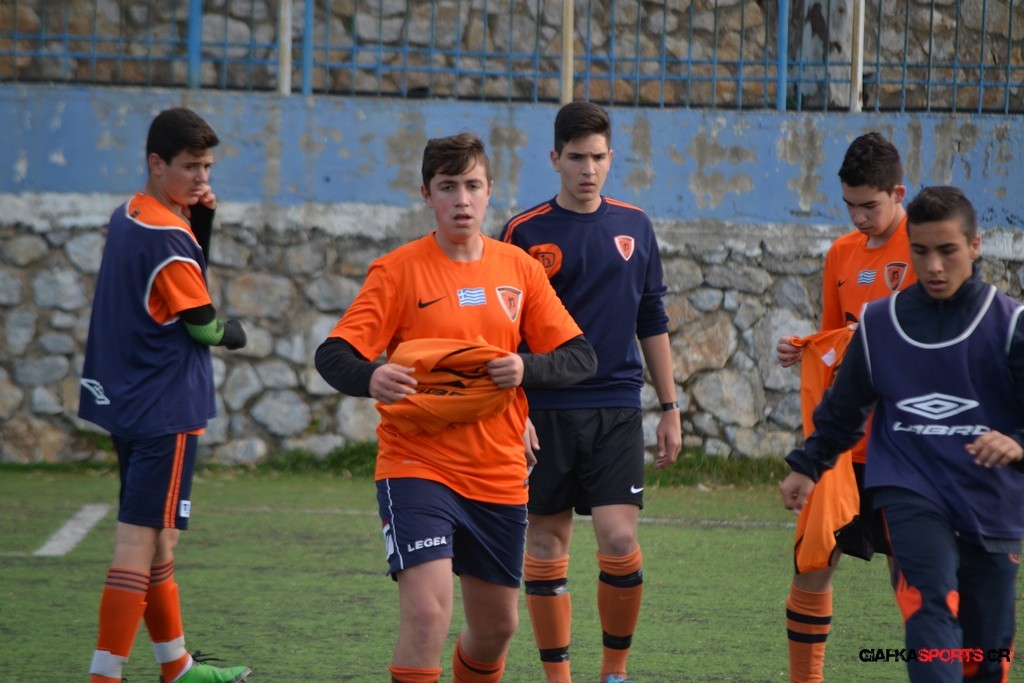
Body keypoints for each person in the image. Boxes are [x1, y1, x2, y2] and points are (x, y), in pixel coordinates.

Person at [314, 132, 597, 683]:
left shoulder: (519, 269)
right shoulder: (397, 271)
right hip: (416, 463)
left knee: (496, 630)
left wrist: (525, 368)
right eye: (448, 187)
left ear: (490, 190)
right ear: (427, 195)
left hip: (497, 470)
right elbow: (334, 354)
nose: (461, 199)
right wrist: (372, 376)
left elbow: (579, 356)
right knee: (427, 614)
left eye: (472, 185)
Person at [780, 185, 1024, 682]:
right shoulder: (881, 323)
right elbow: (844, 408)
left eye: (947, 251)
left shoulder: (1008, 324)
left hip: (990, 497)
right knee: (929, 606)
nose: (933, 266)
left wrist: (1017, 441)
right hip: (911, 488)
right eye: (921, 251)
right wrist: (808, 465)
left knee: (986, 652)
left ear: (975, 246)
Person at [499, 101, 682, 683]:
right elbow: (505, 333)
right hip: (545, 408)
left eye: (598, 157)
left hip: (617, 406)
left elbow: (651, 318)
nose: (588, 169)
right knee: (546, 545)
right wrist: (514, 413)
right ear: (555, 158)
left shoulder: (636, 225)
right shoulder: (524, 232)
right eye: (577, 157)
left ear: (611, 157)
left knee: (620, 538)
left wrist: (671, 408)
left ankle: (614, 673)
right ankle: (559, 679)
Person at [78, 107, 250, 683]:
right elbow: (202, 324)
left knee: (159, 538)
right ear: (157, 163)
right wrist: (234, 334)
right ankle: (105, 674)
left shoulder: (129, 213)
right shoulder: (171, 239)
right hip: (166, 406)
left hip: (128, 399)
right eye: (190, 167)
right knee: (141, 539)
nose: (202, 178)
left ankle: (176, 665)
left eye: (207, 167)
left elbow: (176, 282)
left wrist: (201, 222)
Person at [774, 132, 915, 682]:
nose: (858, 217)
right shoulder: (840, 254)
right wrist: (807, 347)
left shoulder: (924, 248)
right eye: (849, 205)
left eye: (869, 205)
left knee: (916, 578)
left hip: (905, 448)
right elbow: (838, 343)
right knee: (812, 564)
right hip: (845, 448)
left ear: (898, 193)